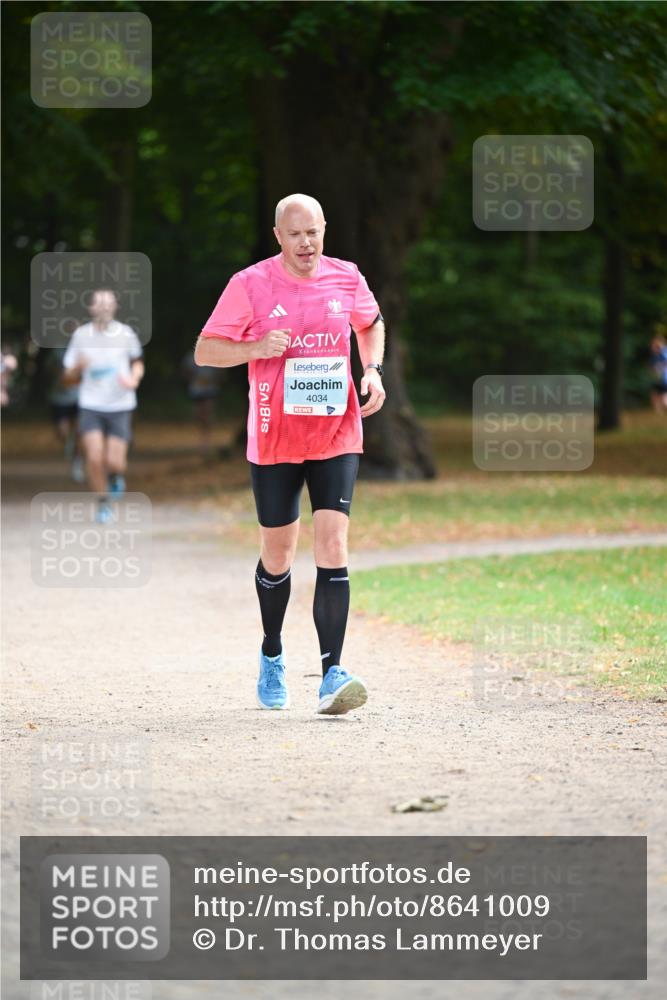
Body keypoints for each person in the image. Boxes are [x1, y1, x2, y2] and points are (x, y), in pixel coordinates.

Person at [195, 193, 386, 716]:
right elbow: (205, 349)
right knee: (278, 555)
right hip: (274, 436)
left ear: (325, 230)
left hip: (336, 433)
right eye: (296, 234)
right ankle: (273, 651)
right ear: (278, 235)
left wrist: (371, 370)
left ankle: (332, 674)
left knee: (333, 543)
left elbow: (370, 324)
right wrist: (254, 348)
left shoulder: (346, 277)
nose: (307, 243)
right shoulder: (250, 283)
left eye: (315, 232)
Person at [63, 289, 144, 523]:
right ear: (91, 308)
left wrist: (134, 379)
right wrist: (76, 367)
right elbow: (67, 375)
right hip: (91, 404)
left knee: (114, 461)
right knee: (95, 457)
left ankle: (116, 476)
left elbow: (137, 362)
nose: (104, 307)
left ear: (115, 307)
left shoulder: (126, 333)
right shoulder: (81, 335)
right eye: (99, 303)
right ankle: (103, 502)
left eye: (108, 304)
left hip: (121, 403)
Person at [46, 343, 84, 482]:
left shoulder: (84, 351)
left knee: (80, 432)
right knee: (62, 432)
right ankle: (68, 441)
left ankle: (77, 465)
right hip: (59, 398)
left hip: (80, 398)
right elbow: (49, 369)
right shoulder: (57, 352)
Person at [180, 349, 223, 457]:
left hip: (210, 390)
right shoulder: (191, 357)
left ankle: (205, 443)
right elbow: (185, 372)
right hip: (197, 390)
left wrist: (214, 380)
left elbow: (220, 373)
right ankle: (201, 441)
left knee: (207, 415)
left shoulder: (214, 356)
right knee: (199, 416)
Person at [649, 334, 667, 414]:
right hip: (657, 379)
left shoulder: (664, 353)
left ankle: (659, 413)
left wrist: (659, 369)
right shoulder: (654, 356)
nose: (653, 347)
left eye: (655, 345)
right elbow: (652, 367)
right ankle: (658, 414)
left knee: (663, 399)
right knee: (654, 396)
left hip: (664, 379)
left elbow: (664, 364)